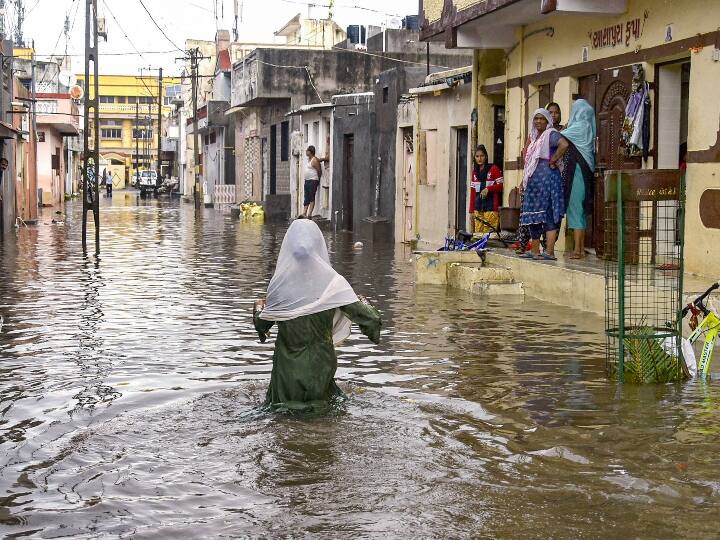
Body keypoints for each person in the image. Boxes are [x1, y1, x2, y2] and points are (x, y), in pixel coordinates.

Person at [253, 218, 382, 411]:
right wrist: (363, 301)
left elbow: (262, 325)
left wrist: (258, 307)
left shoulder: (279, 287)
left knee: (283, 421)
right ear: (318, 246)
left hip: (286, 374)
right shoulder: (333, 286)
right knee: (325, 418)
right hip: (320, 369)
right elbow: (371, 320)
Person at [519, 108, 567, 261]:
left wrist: (553, 160)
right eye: (536, 118)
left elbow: (564, 145)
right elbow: (529, 163)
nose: (538, 121)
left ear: (547, 121)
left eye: (542, 119)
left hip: (547, 181)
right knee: (534, 216)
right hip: (534, 183)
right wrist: (524, 180)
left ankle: (550, 252)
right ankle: (535, 251)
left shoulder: (550, 134)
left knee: (549, 215)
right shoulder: (534, 138)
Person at [560, 99, 596, 259]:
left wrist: (567, 124)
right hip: (585, 171)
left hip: (577, 172)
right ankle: (580, 248)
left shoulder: (579, 127)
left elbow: (559, 137)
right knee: (580, 211)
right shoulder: (589, 127)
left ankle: (578, 250)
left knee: (574, 209)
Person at [469, 145, 503, 234]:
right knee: (478, 236)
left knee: (489, 237)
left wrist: (488, 189)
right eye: (477, 156)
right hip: (478, 209)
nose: (479, 158)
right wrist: (471, 211)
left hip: (491, 208)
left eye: (482, 156)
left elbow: (501, 186)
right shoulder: (474, 173)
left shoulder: (494, 169)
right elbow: (473, 193)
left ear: (486, 156)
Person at [302, 146, 323, 219]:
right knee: (306, 197)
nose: (306, 152)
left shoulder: (314, 160)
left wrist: (318, 180)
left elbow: (319, 170)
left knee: (311, 197)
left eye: (307, 150)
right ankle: (304, 213)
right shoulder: (309, 159)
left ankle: (309, 214)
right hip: (307, 180)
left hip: (313, 180)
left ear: (310, 152)